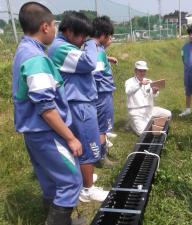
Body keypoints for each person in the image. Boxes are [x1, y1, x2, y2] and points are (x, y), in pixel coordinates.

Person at [12, 2, 83, 224]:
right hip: (47, 133)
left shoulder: (24, 50)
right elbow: (46, 107)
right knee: (71, 181)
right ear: (45, 27)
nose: (55, 29)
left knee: (51, 180)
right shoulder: (36, 59)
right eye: (54, 25)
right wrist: (70, 138)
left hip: (35, 133)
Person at [48, 12, 108, 203]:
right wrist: (92, 42)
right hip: (79, 105)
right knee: (89, 146)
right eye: (82, 36)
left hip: (81, 103)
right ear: (70, 31)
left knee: (83, 146)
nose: (83, 41)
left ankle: (84, 180)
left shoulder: (65, 46)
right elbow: (89, 62)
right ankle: (88, 190)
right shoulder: (60, 48)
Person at [91, 16, 117, 166]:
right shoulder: (98, 52)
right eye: (110, 36)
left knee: (100, 126)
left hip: (100, 95)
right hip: (102, 96)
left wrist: (107, 58)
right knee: (102, 127)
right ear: (102, 35)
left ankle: (99, 152)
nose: (111, 39)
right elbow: (96, 77)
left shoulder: (94, 48)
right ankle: (101, 157)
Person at [125, 61, 172, 135]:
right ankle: (132, 123)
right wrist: (140, 84)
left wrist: (155, 91)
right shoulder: (129, 82)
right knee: (143, 133)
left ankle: (150, 121)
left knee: (168, 114)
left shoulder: (149, 81)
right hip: (136, 111)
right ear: (135, 70)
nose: (142, 73)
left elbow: (154, 96)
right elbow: (128, 91)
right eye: (140, 71)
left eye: (144, 71)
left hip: (150, 109)